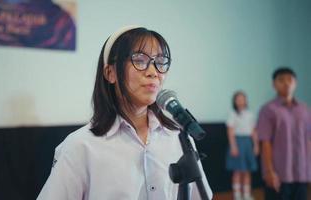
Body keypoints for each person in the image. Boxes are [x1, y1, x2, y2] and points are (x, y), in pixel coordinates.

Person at [37, 26, 213, 200]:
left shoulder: (179, 137)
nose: (153, 72)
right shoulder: (80, 146)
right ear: (110, 73)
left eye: (160, 62)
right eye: (140, 60)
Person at [257, 67, 311, 200]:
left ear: (295, 83)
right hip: (279, 175)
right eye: (281, 80)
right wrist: (269, 172)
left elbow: (308, 140)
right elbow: (265, 142)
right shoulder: (268, 109)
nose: (286, 83)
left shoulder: (304, 109)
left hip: (302, 174)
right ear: (274, 84)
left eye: (290, 79)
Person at [225, 91, 259, 200]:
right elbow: (230, 132)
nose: (240, 101)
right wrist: (233, 146)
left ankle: (246, 194)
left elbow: (254, 131)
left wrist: (256, 145)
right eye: (238, 99)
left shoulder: (250, 114)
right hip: (237, 142)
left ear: (245, 100)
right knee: (237, 171)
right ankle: (237, 195)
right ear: (234, 101)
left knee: (247, 171)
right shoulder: (232, 114)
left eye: (242, 98)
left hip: (248, 143)